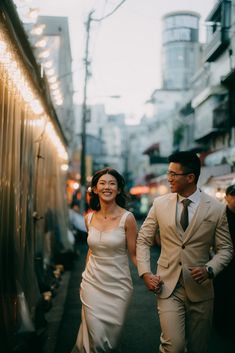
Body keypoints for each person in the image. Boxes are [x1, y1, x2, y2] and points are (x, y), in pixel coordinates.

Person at [136, 151, 233, 353]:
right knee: (174, 346)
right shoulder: (160, 204)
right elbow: (143, 239)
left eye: (173, 174)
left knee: (198, 348)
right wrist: (145, 272)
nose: (168, 178)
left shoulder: (216, 208)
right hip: (167, 286)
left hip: (201, 289)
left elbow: (226, 248)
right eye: (168, 172)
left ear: (190, 177)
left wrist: (210, 269)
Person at [71, 168, 137, 353]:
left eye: (112, 183)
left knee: (111, 342)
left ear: (118, 189)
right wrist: (84, 278)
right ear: (95, 188)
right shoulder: (89, 218)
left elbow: (134, 253)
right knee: (97, 340)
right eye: (102, 183)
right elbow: (91, 251)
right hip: (92, 284)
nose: (107, 187)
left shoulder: (128, 218)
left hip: (118, 286)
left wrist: (148, 275)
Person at [213, 184, 235, 337]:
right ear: (226, 197)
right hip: (223, 262)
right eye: (233, 195)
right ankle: (220, 326)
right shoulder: (220, 214)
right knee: (222, 293)